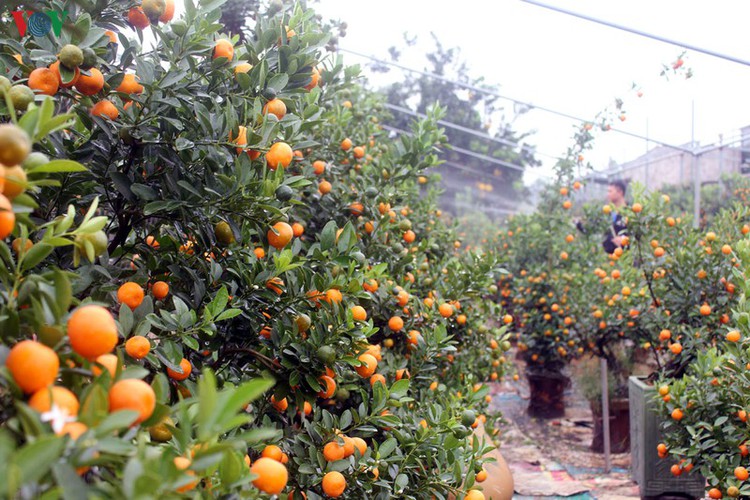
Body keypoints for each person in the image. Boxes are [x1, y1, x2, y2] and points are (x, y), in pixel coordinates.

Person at [602, 180, 628, 254]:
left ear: (620, 192)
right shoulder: (607, 212)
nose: (608, 194)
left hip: (625, 257)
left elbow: (638, 236)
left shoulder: (630, 213)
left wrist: (624, 240)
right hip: (609, 259)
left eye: (610, 191)